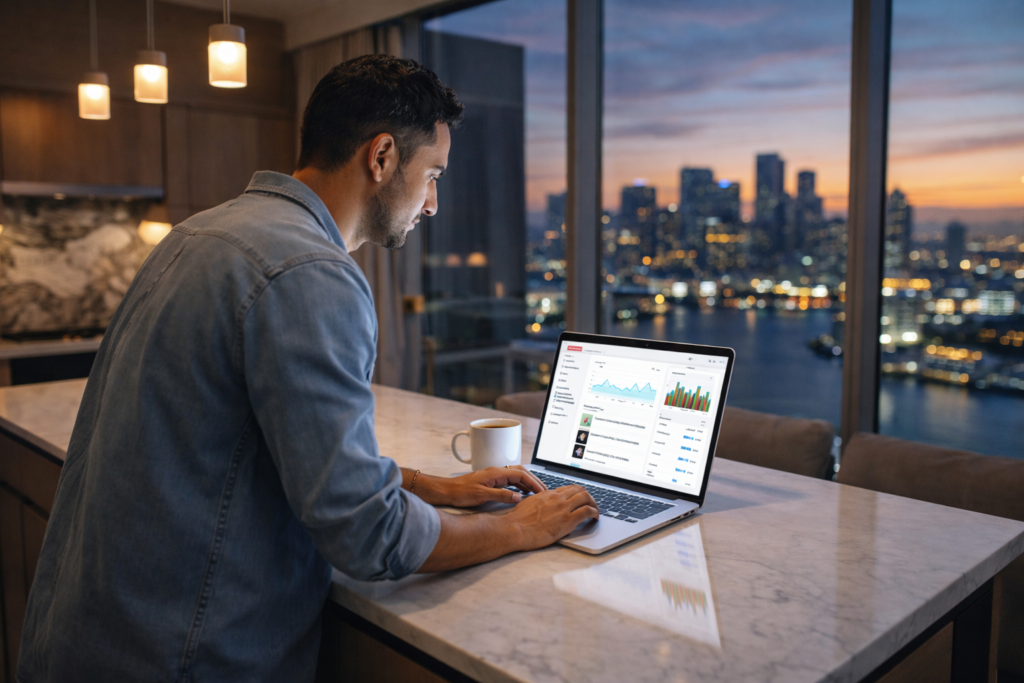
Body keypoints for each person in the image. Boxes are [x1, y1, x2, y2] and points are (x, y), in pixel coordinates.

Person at [17, 55, 597, 683]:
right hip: (184, 656)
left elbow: (246, 444)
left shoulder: (195, 235)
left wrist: (431, 484)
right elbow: (369, 536)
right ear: (380, 158)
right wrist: (522, 527)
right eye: (432, 174)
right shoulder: (311, 273)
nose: (432, 202)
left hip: (84, 637)